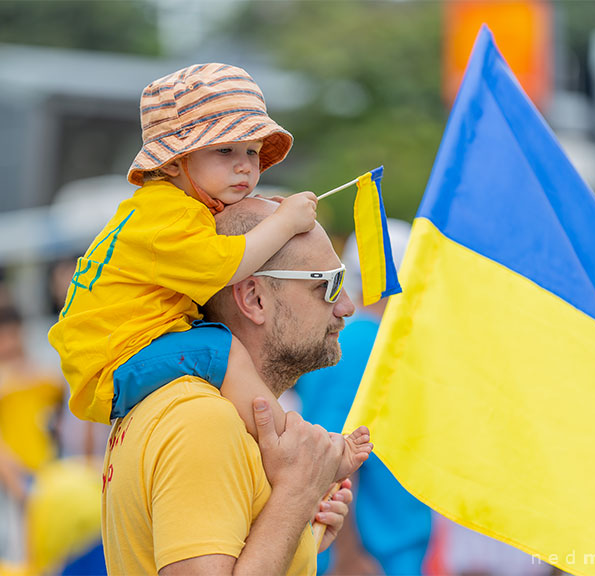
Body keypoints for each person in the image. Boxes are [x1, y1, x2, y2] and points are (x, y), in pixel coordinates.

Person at [48, 63, 370, 482]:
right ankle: (294, 449)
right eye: (225, 150)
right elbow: (226, 264)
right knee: (225, 351)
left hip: (122, 355)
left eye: (252, 152)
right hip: (115, 362)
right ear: (175, 162)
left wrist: (268, 213)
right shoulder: (167, 215)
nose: (245, 167)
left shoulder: (173, 209)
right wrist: (284, 222)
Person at [102, 197, 358, 574]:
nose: (347, 306)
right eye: (330, 284)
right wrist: (296, 495)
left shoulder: (189, 410)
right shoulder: (201, 421)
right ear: (254, 299)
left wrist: (299, 532)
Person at [295, 219, 434, 575]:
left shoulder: (369, 341)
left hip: (390, 554)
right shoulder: (360, 346)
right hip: (369, 559)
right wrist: (349, 557)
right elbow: (332, 456)